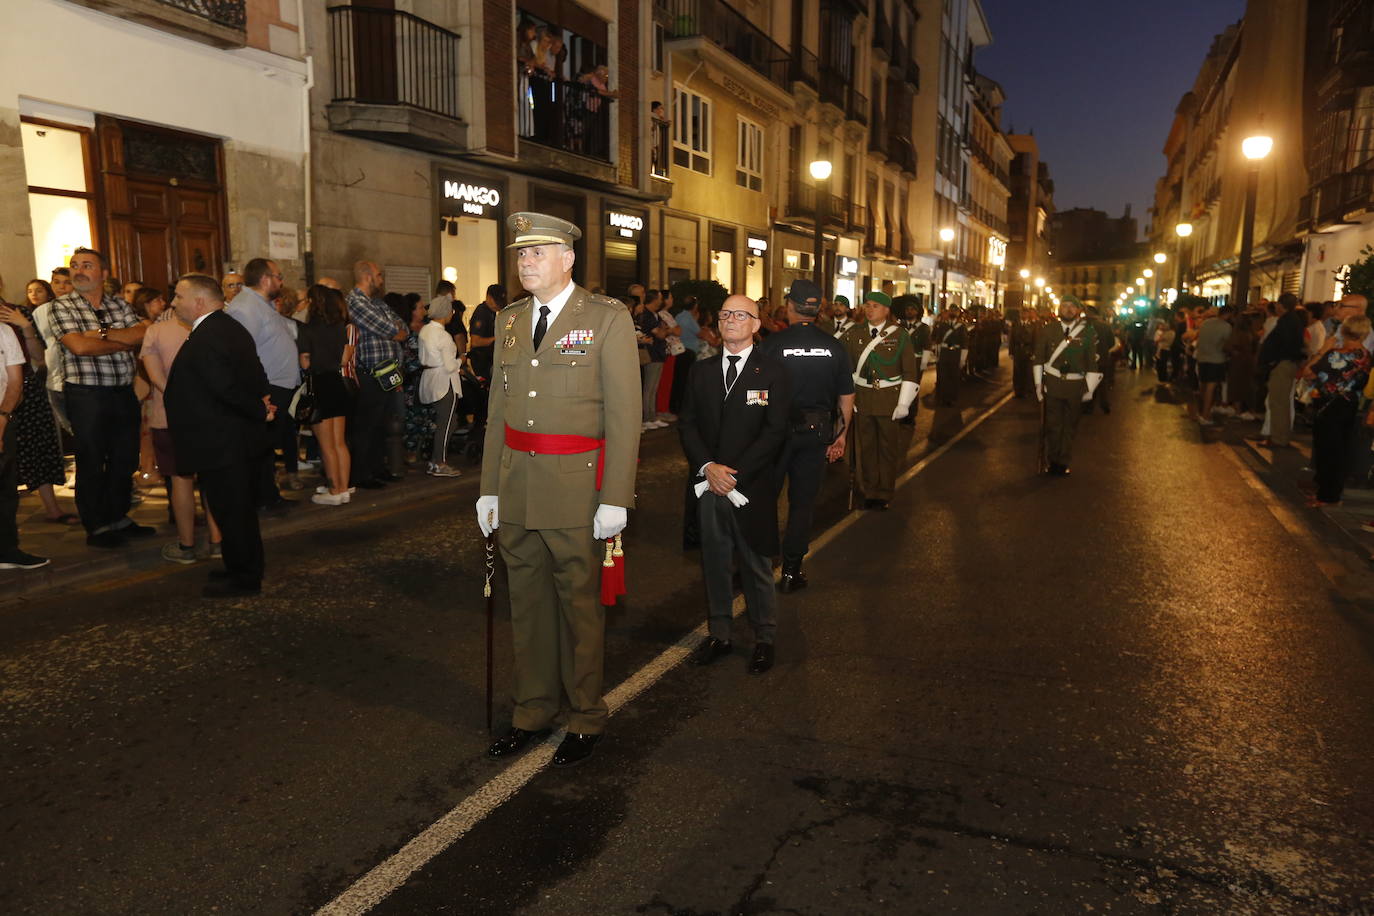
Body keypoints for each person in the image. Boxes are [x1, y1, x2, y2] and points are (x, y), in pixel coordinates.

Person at [478, 212, 641, 769]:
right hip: (517, 487)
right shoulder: (510, 319)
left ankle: (585, 715)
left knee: (579, 609)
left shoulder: (605, 318)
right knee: (526, 606)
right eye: (521, 254)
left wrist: (616, 496)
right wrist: (489, 488)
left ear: (567, 259)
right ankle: (532, 710)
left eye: (537, 252)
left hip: (576, 490)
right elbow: (498, 410)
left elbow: (625, 414)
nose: (525, 262)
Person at [680, 292, 793, 676]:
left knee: (755, 563)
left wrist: (733, 474)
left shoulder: (773, 372)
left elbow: (775, 432)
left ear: (756, 325)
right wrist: (709, 467)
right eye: (725, 314)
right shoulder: (702, 371)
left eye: (740, 315)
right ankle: (720, 634)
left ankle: (764, 638)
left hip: (750, 487)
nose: (730, 320)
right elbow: (688, 425)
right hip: (709, 485)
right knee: (714, 563)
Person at [163, 274, 273, 598]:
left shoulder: (211, 334)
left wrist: (258, 408)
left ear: (198, 302)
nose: (173, 303)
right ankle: (239, 566)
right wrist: (260, 403)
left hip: (223, 441)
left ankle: (244, 577)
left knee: (233, 511)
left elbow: (225, 387)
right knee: (231, 510)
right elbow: (252, 375)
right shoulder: (225, 328)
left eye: (178, 296)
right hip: (227, 439)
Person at [48, 248, 153, 547]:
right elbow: (79, 347)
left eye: (87, 265)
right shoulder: (62, 306)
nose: (78, 271)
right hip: (86, 394)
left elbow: (143, 333)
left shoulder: (119, 304)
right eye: (74, 266)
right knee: (91, 458)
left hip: (123, 392)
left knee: (125, 457)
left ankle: (118, 516)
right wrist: (121, 341)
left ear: (103, 273)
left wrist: (99, 334)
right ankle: (96, 525)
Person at [760, 279, 853, 591]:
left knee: (765, 499)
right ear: (818, 310)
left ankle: (759, 565)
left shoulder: (772, 344)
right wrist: (841, 436)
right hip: (816, 434)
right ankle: (791, 571)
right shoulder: (834, 346)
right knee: (802, 503)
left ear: (789, 306)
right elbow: (846, 397)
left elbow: (756, 392)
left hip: (775, 433)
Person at [140, 295, 223, 563]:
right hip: (210, 415)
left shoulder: (156, 332)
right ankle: (217, 541)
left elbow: (155, 377)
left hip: (169, 417)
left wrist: (179, 397)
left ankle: (186, 546)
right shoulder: (214, 330)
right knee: (211, 479)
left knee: (180, 480)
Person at [227, 258, 301, 504]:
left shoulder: (262, 304)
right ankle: (260, 498)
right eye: (279, 276)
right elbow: (242, 353)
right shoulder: (245, 307)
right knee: (259, 446)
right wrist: (258, 390)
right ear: (265, 279)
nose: (281, 282)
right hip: (266, 387)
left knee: (267, 446)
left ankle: (268, 495)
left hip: (277, 385)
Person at [0, 289, 74, 526]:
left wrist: (25, 326)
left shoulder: (18, 312)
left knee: (38, 445)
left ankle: (52, 508)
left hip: (26, 386)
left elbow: (39, 356)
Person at [840, 291, 919, 509]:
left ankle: (884, 492)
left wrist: (904, 403)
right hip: (863, 398)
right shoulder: (854, 333)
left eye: (875, 306)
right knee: (866, 447)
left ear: (886, 310)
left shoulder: (900, 335)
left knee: (887, 448)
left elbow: (910, 371)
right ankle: (870, 490)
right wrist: (848, 397)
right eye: (867, 305)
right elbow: (845, 367)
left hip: (888, 400)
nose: (869, 309)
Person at [347, 261, 407, 489]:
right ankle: (362, 474)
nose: (382, 280)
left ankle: (377, 468)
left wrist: (395, 331)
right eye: (379, 275)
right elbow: (389, 329)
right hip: (370, 373)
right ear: (367, 276)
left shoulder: (377, 303)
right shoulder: (355, 301)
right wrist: (393, 331)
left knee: (382, 424)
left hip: (387, 373)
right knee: (367, 425)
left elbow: (403, 327)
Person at [1304, 316, 1372, 507]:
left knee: (1327, 451)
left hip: (1328, 406)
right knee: (1340, 450)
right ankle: (1330, 493)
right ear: (1365, 333)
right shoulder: (1366, 356)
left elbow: (1308, 372)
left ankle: (1327, 496)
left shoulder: (1335, 355)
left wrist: (1322, 350)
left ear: (1343, 331)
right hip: (1349, 405)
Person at [297, 285, 356, 506]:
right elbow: (343, 359)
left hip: (319, 385)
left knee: (326, 445)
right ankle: (344, 488)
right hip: (337, 383)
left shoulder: (307, 329)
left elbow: (305, 362)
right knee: (339, 442)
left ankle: (334, 490)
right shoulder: (339, 327)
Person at [0, 316, 49, 569]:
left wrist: (2, 420)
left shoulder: (4, 331)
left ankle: (6, 550)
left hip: (2, 418)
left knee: (5, 489)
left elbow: (15, 382)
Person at [1034, 296, 1102, 476]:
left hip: (1075, 386)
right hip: (1053, 384)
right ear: (1059, 309)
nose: (1069, 309)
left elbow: (1092, 364)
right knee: (1053, 426)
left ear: (1078, 310)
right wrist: (1038, 384)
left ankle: (1063, 461)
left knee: (1070, 426)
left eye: (1072, 306)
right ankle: (1053, 460)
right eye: (1065, 306)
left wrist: (1089, 390)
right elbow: (1039, 358)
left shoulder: (1088, 332)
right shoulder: (1048, 330)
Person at [418, 294, 463, 477]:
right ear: (445, 313)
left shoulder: (424, 330)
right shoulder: (443, 336)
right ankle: (440, 463)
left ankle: (435, 460)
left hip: (428, 378)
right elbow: (450, 366)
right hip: (445, 382)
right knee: (447, 424)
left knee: (444, 423)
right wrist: (461, 360)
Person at [1258, 293, 1305, 448]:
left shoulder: (1287, 322)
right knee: (1281, 401)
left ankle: (1278, 438)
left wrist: (1272, 360)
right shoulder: (1292, 320)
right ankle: (1281, 436)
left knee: (1278, 402)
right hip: (1286, 363)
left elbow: (1282, 345)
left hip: (1282, 364)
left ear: (1281, 305)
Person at [636, 289, 669, 431]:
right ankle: (647, 417)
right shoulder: (647, 315)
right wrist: (665, 330)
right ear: (654, 299)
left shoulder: (655, 315)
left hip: (658, 354)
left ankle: (652, 416)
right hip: (651, 355)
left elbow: (662, 331)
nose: (661, 301)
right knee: (649, 388)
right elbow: (660, 334)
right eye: (660, 298)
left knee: (653, 388)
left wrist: (664, 330)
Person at [1195, 305, 1233, 425]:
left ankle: (1201, 411)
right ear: (1228, 314)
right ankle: (1205, 415)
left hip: (1202, 358)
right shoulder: (1226, 327)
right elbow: (1227, 344)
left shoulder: (1205, 323)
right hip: (1216, 359)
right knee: (1210, 388)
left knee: (1203, 386)